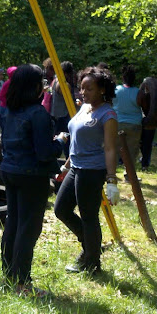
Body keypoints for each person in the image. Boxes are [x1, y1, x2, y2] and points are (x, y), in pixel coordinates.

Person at [0, 64, 66, 297]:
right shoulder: (37, 113)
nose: (45, 87)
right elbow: (45, 152)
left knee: (14, 223)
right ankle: (21, 284)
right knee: (28, 228)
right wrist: (61, 141)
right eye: (43, 83)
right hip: (31, 175)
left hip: (10, 171)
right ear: (35, 87)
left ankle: (9, 275)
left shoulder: (8, 110)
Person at [54, 67, 119, 274]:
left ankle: (92, 263)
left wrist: (111, 180)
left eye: (89, 89)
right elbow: (76, 140)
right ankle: (90, 246)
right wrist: (65, 165)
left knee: (89, 216)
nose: (83, 93)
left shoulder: (107, 114)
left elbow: (110, 148)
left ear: (102, 89)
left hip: (92, 171)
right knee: (61, 209)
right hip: (75, 168)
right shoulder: (84, 108)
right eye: (82, 88)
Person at [113, 65, 143, 179]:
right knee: (131, 151)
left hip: (117, 123)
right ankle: (129, 175)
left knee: (114, 149)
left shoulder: (117, 90)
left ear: (123, 77)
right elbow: (145, 106)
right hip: (134, 124)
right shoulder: (138, 92)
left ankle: (111, 174)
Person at [51, 61, 76, 157]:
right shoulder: (63, 84)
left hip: (56, 114)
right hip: (63, 115)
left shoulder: (55, 80)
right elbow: (69, 101)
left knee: (57, 139)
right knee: (67, 141)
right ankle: (67, 161)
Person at [0, 65, 17, 130]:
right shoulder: (7, 83)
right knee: (6, 126)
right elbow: (1, 96)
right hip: (5, 107)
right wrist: (9, 103)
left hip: (13, 106)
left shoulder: (18, 83)